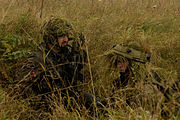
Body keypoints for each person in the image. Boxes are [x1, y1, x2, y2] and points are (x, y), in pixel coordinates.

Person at [13, 17, 90, 113]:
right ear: (51, 38)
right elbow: (19, 88)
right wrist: (42, 104)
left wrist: (78, 53)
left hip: (67, 98)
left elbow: (75, 73)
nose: (65, 39)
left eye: (66, 35)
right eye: (61, 36)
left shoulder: (65, 52)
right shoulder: (38, 60)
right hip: (48, 106)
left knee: (92, 101)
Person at [104, 42, 179, 118]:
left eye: (123, 61)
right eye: (117, 62)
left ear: (132, 63)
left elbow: (148, 113)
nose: (119, 65)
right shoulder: (120, 81)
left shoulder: (145, 83)